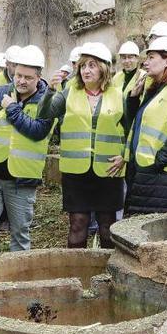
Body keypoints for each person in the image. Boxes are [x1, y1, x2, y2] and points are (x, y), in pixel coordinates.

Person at [39, 42, 126, 248]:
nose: (86, 70)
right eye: (83, 66)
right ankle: (76, 274)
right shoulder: (69, 92)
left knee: (107, 225)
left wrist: (125, 155)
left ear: (104, 68)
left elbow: (130, 129)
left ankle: (106, 273)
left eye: (92, 65)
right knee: (78, 224)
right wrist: (50, 91)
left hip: (108, 169)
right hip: (76, 171)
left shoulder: (118, 95)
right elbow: (45, 114)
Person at [0, 45, 54, 259]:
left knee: (20, 233)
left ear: (39, 77)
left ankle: (17, 280)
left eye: (28, 77)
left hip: (22, 178)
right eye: (18, 75)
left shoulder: (47, 102)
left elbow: (37, 131)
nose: (21, 81)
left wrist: (12, 108)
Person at [124, 36, 167, 215]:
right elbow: (135, 123)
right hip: (146, 172)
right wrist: (133, 98)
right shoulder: (155, 90)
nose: (145, 63)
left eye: (151, 57)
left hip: (163, 177)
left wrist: (158, 161)